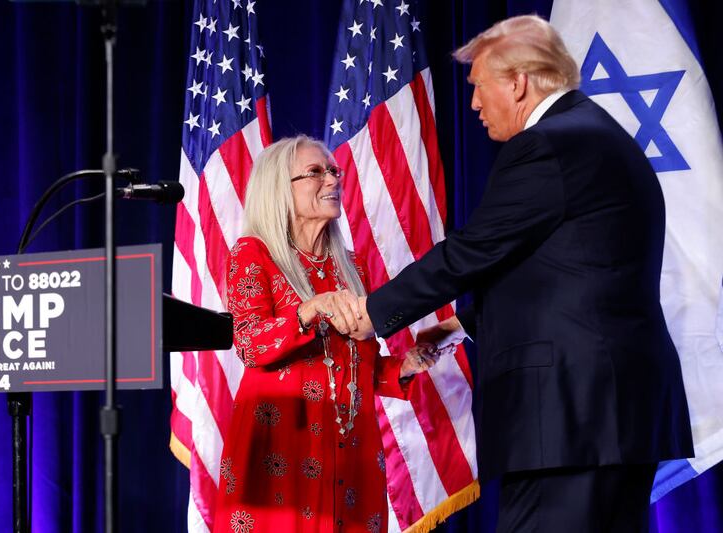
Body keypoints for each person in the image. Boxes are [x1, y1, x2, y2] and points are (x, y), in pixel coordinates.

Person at [351, 15, 693, 532]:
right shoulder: (599, 135)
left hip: (570, 420)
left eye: (479, 87)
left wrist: (371, 312)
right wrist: (463, 325)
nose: (473, 105)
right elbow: (571, 270)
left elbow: (473, 251)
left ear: (518, 82)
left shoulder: (549, 144)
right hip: (611, 415)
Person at [212, 135, 437, 533]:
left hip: (351, 449)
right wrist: (307, 310)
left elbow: (354, 364)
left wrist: (405, 364)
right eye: (316, 172)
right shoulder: (252, 253)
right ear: (280, 187)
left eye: (334, 171)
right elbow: (248, 343)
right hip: (282, 444)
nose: (332, 179)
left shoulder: (353, 266)